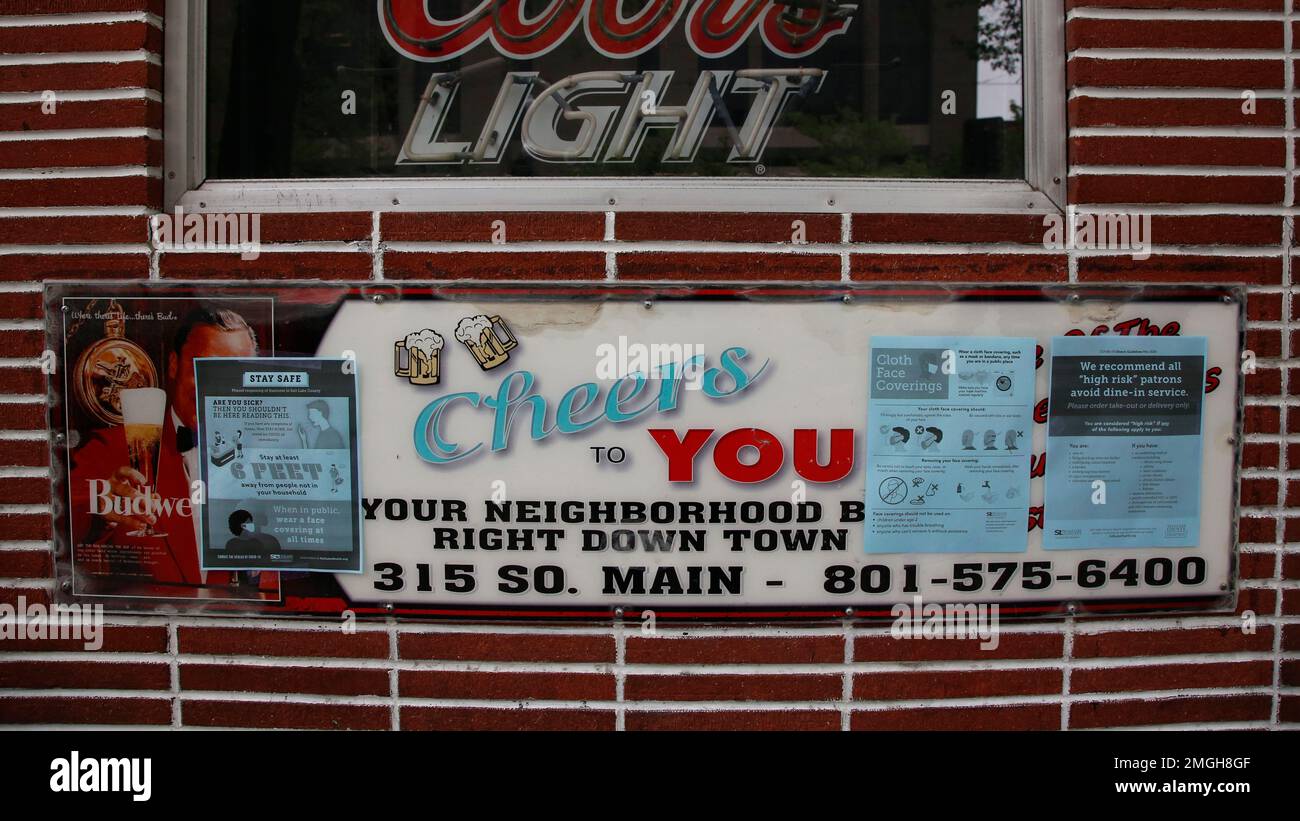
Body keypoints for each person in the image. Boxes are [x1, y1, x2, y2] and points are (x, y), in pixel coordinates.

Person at [68, 305, 278, 596]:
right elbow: (62, 521)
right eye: (203, 368)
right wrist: (100, 510)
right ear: (174, 364)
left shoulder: (269, 459)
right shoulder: (113, 448)